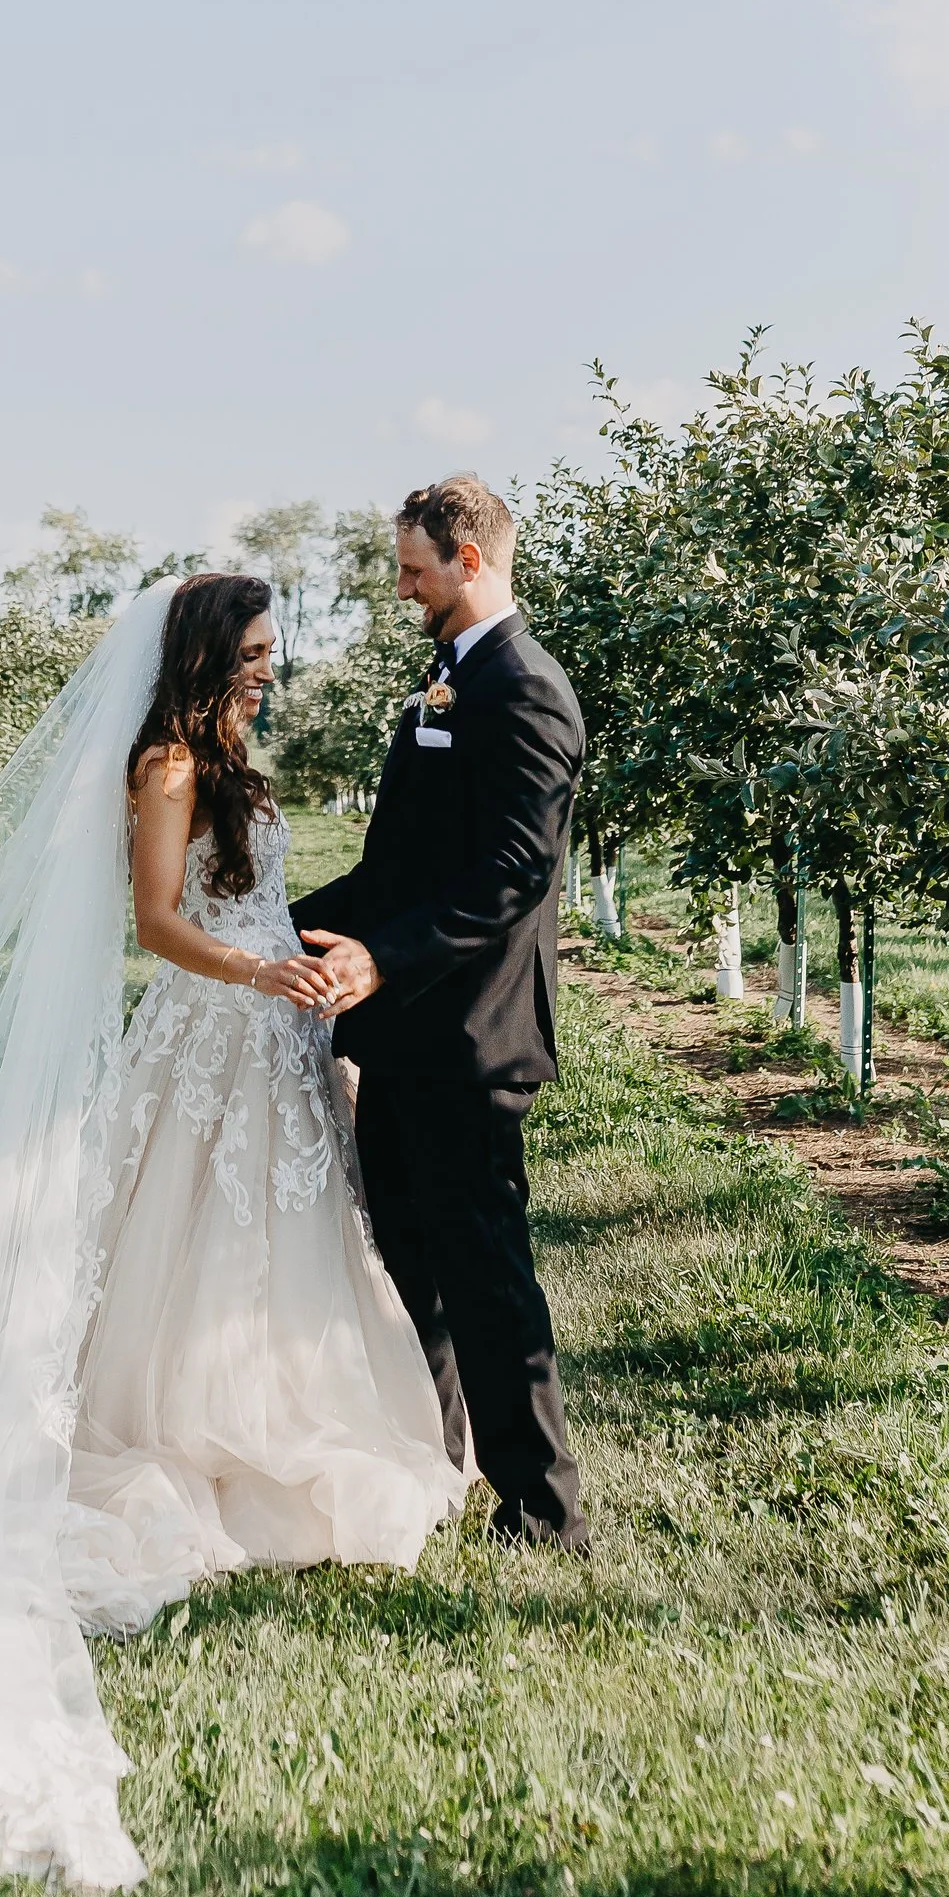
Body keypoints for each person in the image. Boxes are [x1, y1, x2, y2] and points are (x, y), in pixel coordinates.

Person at [0, 572, 462, 1896]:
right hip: (209, 1035)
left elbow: (248, 899)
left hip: (276, 1037)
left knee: (281, 1254)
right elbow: (159, 925)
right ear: (199, 654)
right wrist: (262, 972)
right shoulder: (169, 760)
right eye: (249, 653)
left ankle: (284, 1409)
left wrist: (306, 964)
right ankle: (187, 1432)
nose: (265, 671)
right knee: (189, 1241)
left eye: (270, 654)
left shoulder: (230, 752)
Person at [296, 475, 590, 1551]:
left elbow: (515, 871)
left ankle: (544, 1511)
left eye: (415, 569)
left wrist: (383, 959)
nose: (404, 587)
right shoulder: (447, 677)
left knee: (484, 1276)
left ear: (469, 558)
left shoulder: (526, 690)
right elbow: (401, 865)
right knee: (406, 1266)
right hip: (409, 1030)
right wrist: (266, 933)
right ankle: (433, 1470)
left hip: (470, 1033)